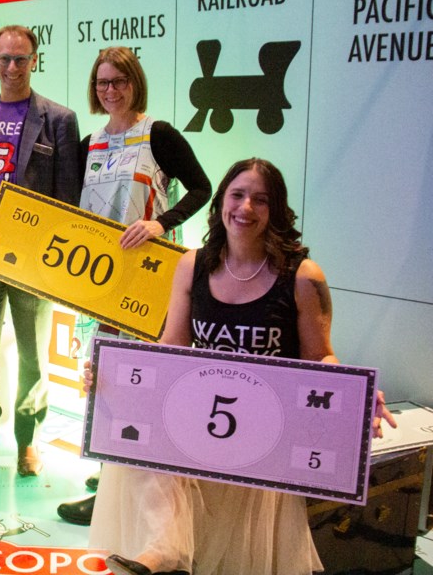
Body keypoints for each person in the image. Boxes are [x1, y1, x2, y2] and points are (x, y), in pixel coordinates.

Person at [88, 158, 397, 575]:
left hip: (264, 431)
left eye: (260, 199)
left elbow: (321, 357)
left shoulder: (303, 277)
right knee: (138, 443)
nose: (246, 207)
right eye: (237, 195)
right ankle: (163, 551)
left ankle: (166, 554)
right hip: (198, 418)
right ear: (220, 204)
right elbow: (171, 350)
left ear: (276, 210)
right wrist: (112, 380)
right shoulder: (191, 264)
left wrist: (357, 397)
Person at [57, 46, 211, 525]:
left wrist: (162, 224)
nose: (110, 90)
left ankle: (134, 486)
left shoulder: (158, 134)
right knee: (102, 376)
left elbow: (203, 188)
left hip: (148, 282)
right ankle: (111, 476)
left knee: (141, 379)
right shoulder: (90, 142)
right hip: (99, 285)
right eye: (102, 83)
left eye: (119, 81)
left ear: (134, 83)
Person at [0, 25, 81, 477]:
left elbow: (68, 198)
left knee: (34, 356)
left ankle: (28, 440)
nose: (12, 67)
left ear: (35, 60)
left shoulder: (59, 120)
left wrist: (57, 263)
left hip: (35, 263)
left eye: (21, 59)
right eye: (4, 58)